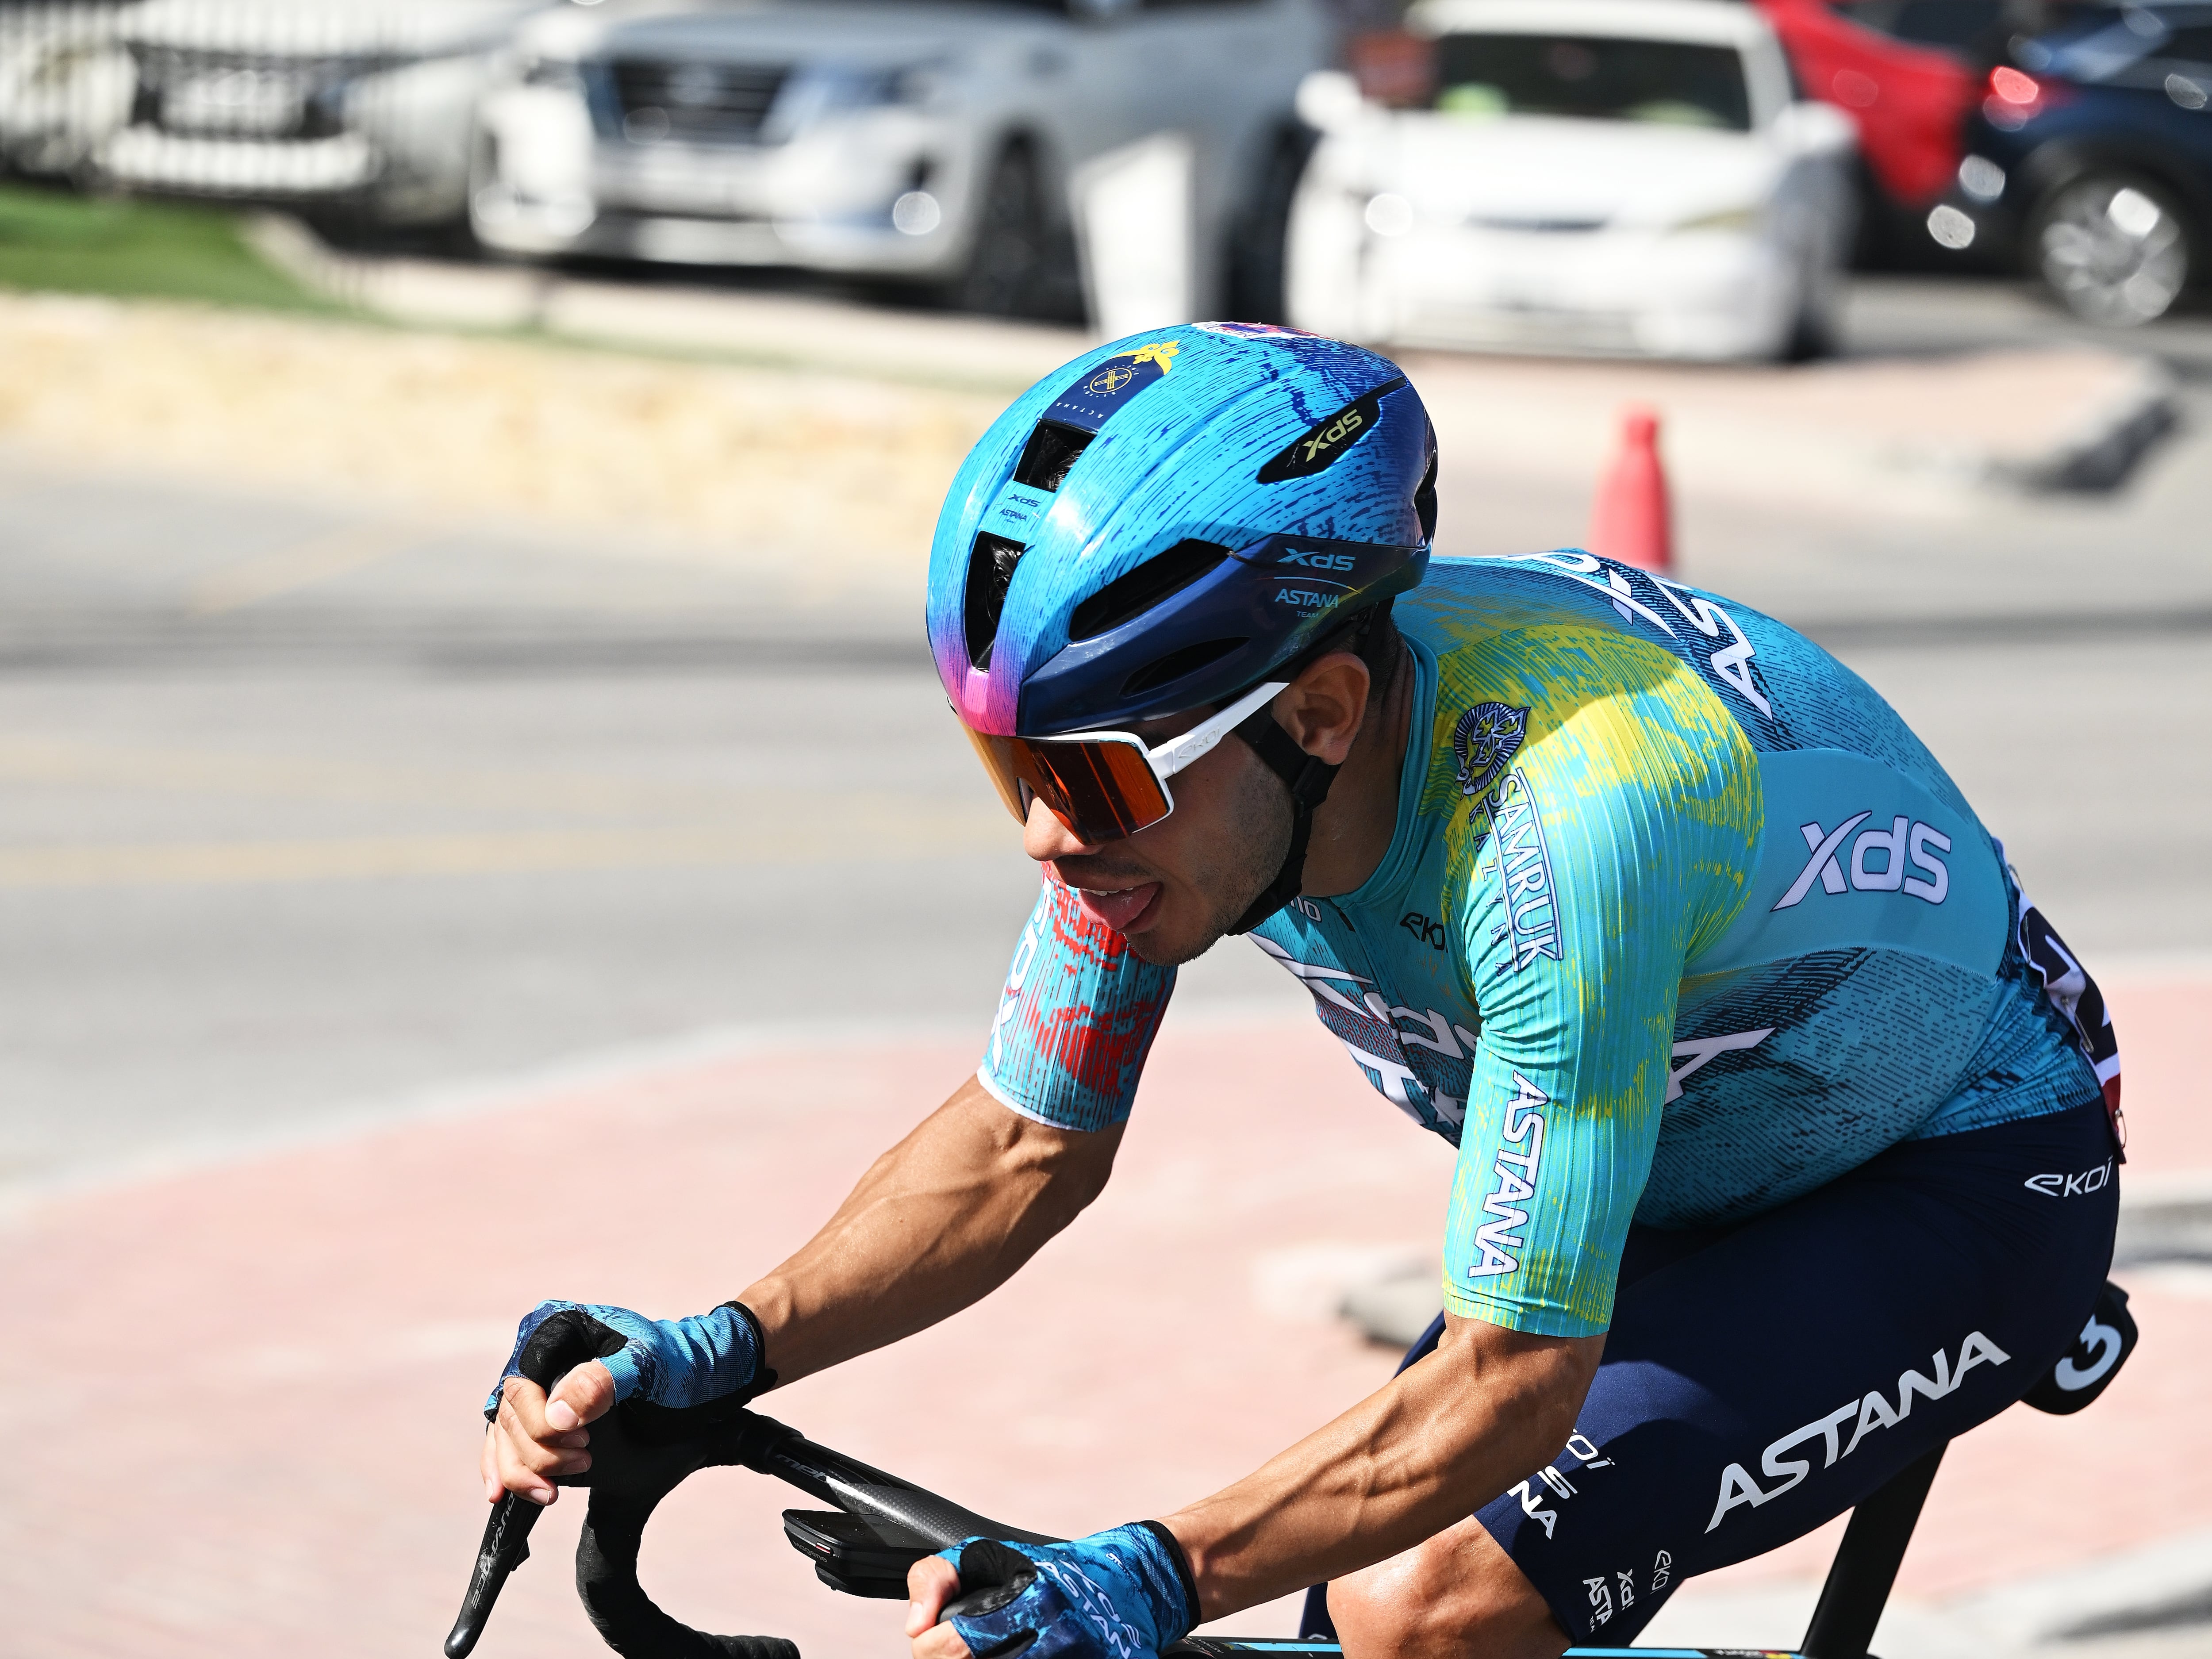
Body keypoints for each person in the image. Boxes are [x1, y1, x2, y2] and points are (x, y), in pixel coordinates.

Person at [481, 325, 2124, 1659]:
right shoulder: (1198, 794)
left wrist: (1149, 1578)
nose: (1053, 838)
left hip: (1958, 1174)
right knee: (1344, 1592)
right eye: (1010, 773)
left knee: (1425, 1608)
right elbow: (1018, 1147)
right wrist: (712, 1351)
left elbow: (1509, 1378)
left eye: (1098, 780)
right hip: (1674, 1174)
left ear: (1324, 714)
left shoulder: (1573, 820)